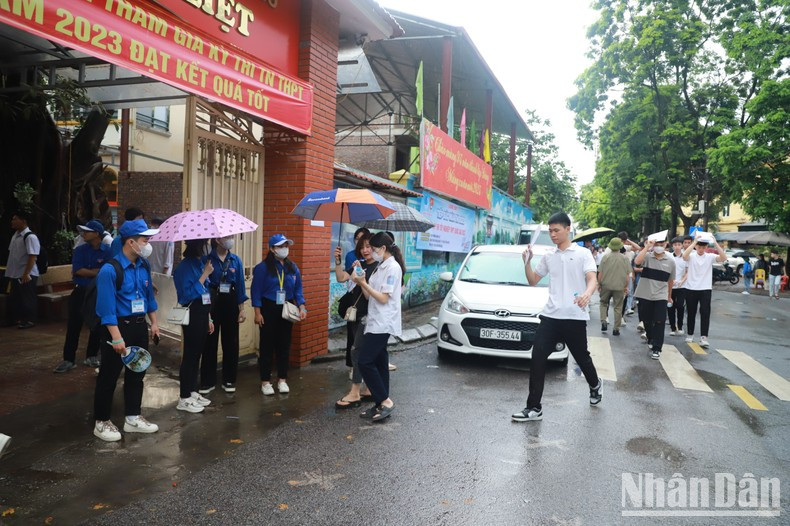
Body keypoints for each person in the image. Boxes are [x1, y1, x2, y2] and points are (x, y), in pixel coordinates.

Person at [512, 212, 602, 422]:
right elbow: (533, 280)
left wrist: (587, 293)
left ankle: (595, 384)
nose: (552, 234)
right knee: (537, 358)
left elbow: (592, 279)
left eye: (556, 230)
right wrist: (527, 262)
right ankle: (534, 407)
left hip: (574, 316)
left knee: (582, 357)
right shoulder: (549, 256)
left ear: (567, 229)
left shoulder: (582, 254)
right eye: (550, 231)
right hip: (550, 316)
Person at [93, 219, 160, 441]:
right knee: (109, 376)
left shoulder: (144, 265)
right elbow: (106, 309)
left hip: (139, 326)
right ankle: (101, 421)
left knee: (137, 373)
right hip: (118, 328)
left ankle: (133, 417)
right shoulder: (109, 270)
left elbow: (149, 298)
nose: (148, 244)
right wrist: (116, 337)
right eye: (144, 240)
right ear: (131, 242)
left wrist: (154, 323)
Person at [351, 232, 404, 422]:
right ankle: (379, 403)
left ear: (383, 248)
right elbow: (368, 296)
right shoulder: (380, 267)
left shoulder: (393, 268)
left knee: (365, 361)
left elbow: (382, 298)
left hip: (383, 322)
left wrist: (363, 283)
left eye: (373, 249)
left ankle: (385, 401)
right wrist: (361, 278)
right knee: (380, 363)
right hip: (374, 321)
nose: (371, 253)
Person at [250, 234, 307, 396]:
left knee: (284, 345)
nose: (284, 249)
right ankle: (265, 381)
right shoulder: (262, 268)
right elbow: (256, 291)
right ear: (272, 249)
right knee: (267, 346)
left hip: (287, 307)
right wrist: (257, 313)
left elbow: (298, 290)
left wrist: (302, 307)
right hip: (268, 307)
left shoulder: (292, 267)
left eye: (286, 246)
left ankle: (282, 379)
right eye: (281, 246)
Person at [55, 220, 110, 373]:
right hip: (80, 291)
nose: (83, 234)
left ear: (97, 234)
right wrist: (97, 272)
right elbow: (78, 270)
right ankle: (68, 359)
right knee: (74, 325)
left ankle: (91, 356)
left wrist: (90, 272)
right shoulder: (80, 250)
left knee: (96, 324)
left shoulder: (108, 251)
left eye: (87, 231)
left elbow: (108, 271)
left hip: (97, 292)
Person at [334, 234, 377, 408]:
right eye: (362, 247)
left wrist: (362, 281)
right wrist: (337, 261)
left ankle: (355, 392)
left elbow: (369, 296)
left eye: (369, 247)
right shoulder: (361, 265)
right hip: (355, 314)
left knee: (357, 351)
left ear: (376, 248)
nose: (365, 250)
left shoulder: (378, 268)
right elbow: (341, 278)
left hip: (368, 316)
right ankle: (370, 388)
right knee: (363, 352)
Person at [201, 236, 248, 394]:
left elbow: (240, 285)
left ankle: (229, 379)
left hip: (230, 301)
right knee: (209, 342)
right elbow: (203, 285)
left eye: (231, 237)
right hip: (213, 301)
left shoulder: (235, 260)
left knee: (231, 342)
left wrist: (242, 308)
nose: (230, 240)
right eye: (227, 237)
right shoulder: (207, 260)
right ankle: (207, 381)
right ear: (217, 240)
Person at [173, 239, 215, 413]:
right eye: (205, 243)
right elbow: (186, 295)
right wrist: (204, 274)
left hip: (203, 312)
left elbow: (205, 291)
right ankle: (184, 397)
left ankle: (192, 390)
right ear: (197, 245)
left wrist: (209, 318)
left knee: (197, 353)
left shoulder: (200, 263)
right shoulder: (184, 267)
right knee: (190, 355)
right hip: (192, 312)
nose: (208, 246)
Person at [628, 236, 675, 360]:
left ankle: (657, 348)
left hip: (661, 295)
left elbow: (670, 280)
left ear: (666, 244)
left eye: (661, 244)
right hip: (645, 293)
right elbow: (637, 261)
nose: (659, 246)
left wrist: (669, 296)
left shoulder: (670, 261)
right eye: (657, 244)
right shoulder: (647, 257)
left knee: (660, 321)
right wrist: (647, 247)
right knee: (647, 319)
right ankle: (650, 338)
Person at [682, 233, 727, 348]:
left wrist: (715, 243)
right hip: (691, 287)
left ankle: (704, 337)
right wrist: (694, 242)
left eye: (703, 247)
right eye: (699, 247)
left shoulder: (710, 257)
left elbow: (723, 258)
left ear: (706, 247)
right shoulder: (691, 255)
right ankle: (690, 333)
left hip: (705, 288)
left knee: (705, 312)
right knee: (691, 312)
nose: (701, 249)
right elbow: (684, 256)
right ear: (696, 246)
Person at [6, 211, 40, 329]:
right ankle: (15, 319)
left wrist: (26, 273)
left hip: (26, 273)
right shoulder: (15, 236)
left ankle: (30, 320)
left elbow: (32, 256)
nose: (12, 221)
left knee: (27, 297)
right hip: (15, 273)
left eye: (15, 219)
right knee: (15, 297)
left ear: (23, 221)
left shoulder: (30, 237)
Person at [598, 237, 630, 336]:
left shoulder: (605, 257)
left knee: (603, 303)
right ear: (620, 246)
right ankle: (616, 328)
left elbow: (600, 273)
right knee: (618, 307)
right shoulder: (625, 258)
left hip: (606, 285)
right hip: (619, 286)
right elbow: (627, 276)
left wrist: (599, 284)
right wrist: (626, 287)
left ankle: (604, 320)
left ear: (610, 246)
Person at [667, 237, 688, 336]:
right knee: (670, 306)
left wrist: (682, 281)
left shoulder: (686, 257)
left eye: (679, 244)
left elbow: (688, 271)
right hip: (670, 285)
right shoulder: (669, 257)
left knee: (680, 306)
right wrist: (671, 280)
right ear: (672, 246)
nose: (677, 247)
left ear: (682, 245)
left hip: (681, 286)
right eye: (675, 245)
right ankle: (672, 327)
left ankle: (680, 326)